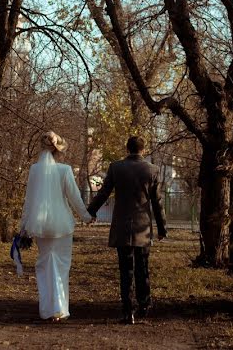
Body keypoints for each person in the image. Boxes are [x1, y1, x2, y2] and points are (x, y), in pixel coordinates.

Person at [87, 135, 167, 324]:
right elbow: (157, 202)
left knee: (125, 269)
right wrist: (162, 227)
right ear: (143, 149)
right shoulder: (152, 170)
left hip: (122, 226)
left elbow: (104, 192)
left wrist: (90, 211)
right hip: (143, 227)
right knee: (142, 267)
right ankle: (144, 305)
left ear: (127, 148)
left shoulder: (116, 167)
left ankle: (127, 310)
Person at [18, 131, 94, 322]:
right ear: (59, 150)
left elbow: (29, 200)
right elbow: (74, 197)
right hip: (62, 226)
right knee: (61, 266)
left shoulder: (34, 170)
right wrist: (85, 216)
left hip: (40, 225)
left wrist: (24, 225)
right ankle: (60, 308)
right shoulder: (65, 170)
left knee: (44, 265)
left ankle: (47, 309)